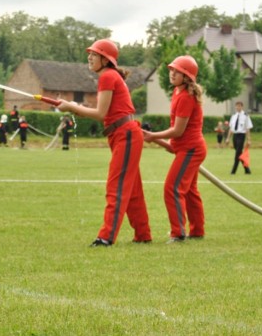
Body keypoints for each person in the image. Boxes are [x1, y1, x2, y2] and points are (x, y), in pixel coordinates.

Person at [55, 39, 152, 247]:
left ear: (105, 59)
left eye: (95, 54)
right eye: (89, 53)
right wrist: (74, 107)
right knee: (133, 190)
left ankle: (106, 237)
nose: (89, 57)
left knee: (116, 186)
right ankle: (143, 234)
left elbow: (100, 114)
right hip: (122, 135)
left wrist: (73, 107)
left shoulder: (108, 76)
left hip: (125, 134)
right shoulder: (110, 76)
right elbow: (105, 112)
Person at [142, 56, 207, 243]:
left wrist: (153, 136)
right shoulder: (178, 93)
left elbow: (178, 131)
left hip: (191, 149)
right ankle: (197, 230)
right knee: (190, 190)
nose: (172, 73)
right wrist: (153, 137)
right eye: (171, 69)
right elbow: (176, 139)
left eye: (177, 71)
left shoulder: (186, 97)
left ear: (186, 76)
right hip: (187, 149)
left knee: (173, 188)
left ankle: (178, 233)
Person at [226, 101, 252, 174]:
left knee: (237, 154)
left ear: (242, 107)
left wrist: (248, 139)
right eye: (237, 106)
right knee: (239, 153)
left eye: (239, 106)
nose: (238, 107)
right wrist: (228, 138)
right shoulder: (233, 116)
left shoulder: (245, 116)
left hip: (241, 135)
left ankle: (233, 171)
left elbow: (247, 128)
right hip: (235, 135)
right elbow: (231, 128)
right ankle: (247, 169)